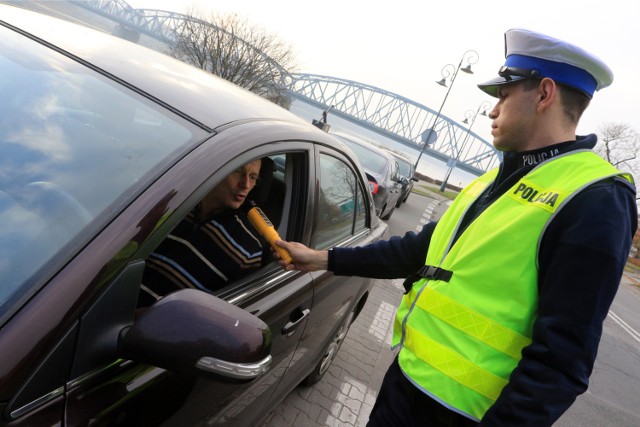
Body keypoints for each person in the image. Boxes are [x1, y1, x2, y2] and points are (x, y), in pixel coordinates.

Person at [274, 28, 638, 426]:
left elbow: (561, 361)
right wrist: (321, 259)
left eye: (503, 95)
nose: (492, 110)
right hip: (408, 385)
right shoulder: (496, 180)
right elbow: (420, 251)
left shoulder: (594, 198)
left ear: (544, 94)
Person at [139, 158, 268, 306]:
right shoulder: (171, 202)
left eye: (253, 177)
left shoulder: (248, 248)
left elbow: (223, 315)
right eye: (238, 171)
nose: (246, 185)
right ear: (216, 168)